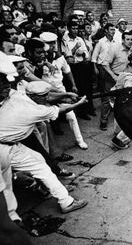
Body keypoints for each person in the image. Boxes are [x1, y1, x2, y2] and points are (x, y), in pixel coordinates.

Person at [0, 58, 88, 214]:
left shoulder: (15, 95)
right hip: (4, 150)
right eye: (3, 85)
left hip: (10, 145)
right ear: (37, 98)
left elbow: (46, 97)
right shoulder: (33, 110)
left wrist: (64, 95)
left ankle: (57, 196)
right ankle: (14, 219)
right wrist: (78, 103)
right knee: (7, 191)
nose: (7, 87)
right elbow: (59, 110)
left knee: (39, 162)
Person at [91, 23, 117, 131]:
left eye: (114, 30)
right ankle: (103, 122)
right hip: (102, 68)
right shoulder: (101, 42)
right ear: (106, 30)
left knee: (114, 93)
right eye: (111, 29)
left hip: (112, 69)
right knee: (105, 96)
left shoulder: (116, 42)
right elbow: (94, 57)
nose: (113, 31)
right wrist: (95, 68)